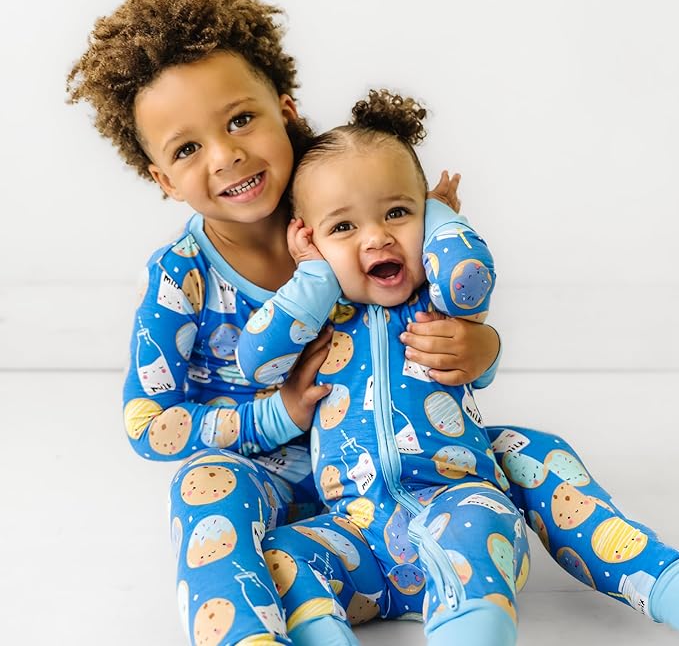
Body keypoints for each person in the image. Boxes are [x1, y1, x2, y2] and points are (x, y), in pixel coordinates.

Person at [65, 0, 678, 644]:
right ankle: (247, 634)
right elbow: (148, 423)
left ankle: (654, 577)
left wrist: (483, 347)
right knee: (205, 488)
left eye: (241, 119)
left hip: (410, 464)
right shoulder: (178, 278)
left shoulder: (354, 197)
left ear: (286, 111)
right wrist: (275, 415)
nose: (226, 154)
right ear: (161, 178)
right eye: (187, 148)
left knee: (530, 450)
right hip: (279, 482)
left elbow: (446, 278)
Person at [236, 89, 679, 646]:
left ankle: (655, 585)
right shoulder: (317, 317)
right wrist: (312, 277)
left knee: (509, 482)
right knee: (280, 554)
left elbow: (469, 276)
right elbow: (256, 363)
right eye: (342, 227)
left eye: (398, 212)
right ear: (309, 239)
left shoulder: (440, 303)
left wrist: (441, 216)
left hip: (460, 510)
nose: (376, 237)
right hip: (359, 538)